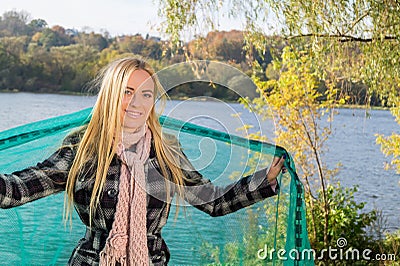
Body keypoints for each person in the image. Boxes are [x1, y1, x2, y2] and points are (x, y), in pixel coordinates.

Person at [0, 57, 285, 265]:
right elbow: (17, 189)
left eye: (146, 94)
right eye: (128, 92)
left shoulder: (166, 154)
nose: (137, 102)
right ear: (112, 94)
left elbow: (213, 201)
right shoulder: (84, 150)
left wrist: (264, 180)